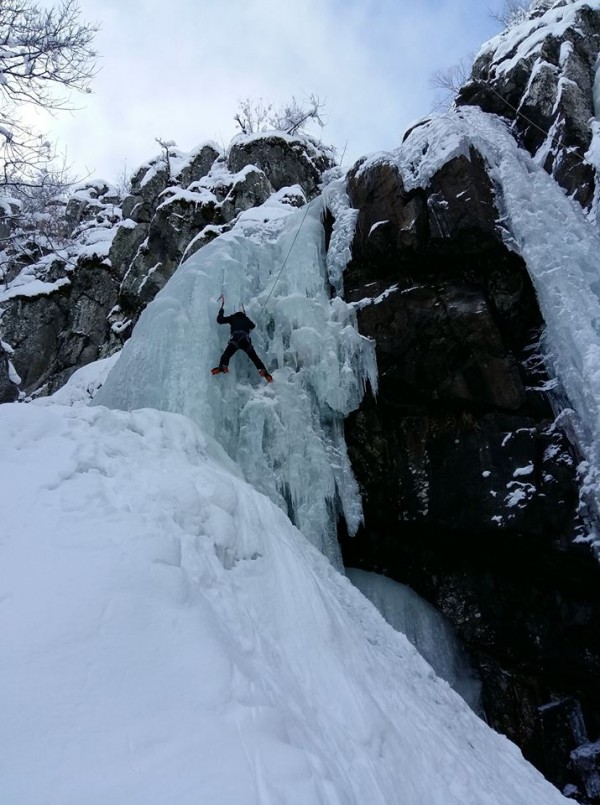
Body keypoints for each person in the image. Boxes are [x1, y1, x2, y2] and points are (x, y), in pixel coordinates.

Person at [211, 296, 273, 382]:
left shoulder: (232, 318)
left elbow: (220, 320)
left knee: (227, 354)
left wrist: (221, 310)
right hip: (245, 340)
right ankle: (264, 372)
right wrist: (246, 321)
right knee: (254, 358)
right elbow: (253, 326)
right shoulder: (246, 319)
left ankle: (223, 366)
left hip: (235, 340)